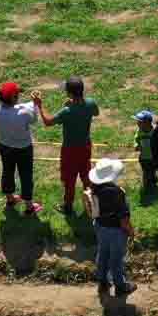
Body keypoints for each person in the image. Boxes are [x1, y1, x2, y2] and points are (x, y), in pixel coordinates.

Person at [0, 80, 42, 215]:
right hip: (23, 148)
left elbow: (15, 109)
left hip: (4, 145)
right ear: (13, 98)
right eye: (17, 94)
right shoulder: (24, 113)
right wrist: (35, 104)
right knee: (26, 175)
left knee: (7, 171)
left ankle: (10, 198)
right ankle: (29, 206)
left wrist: (30, 104)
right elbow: (33, 119)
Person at [51, 77, 100, 214]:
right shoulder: (90, 103)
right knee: (86, 176)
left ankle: (68, 206)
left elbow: (48, 122)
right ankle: (93, 206)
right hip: (85, 147)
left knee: (69, 179)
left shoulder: (67, 111)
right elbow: (96, 112)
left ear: (69, 93)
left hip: (69, 150)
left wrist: (39, 105)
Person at [88, 156, 133, 301]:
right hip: (116, 231)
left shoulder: (94, 190)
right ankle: (120, 286)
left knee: (103, 254)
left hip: (100, 227)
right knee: (116, 259)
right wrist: (130, 231)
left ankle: (103, 282)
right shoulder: (118, 193)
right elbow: (124, 219)